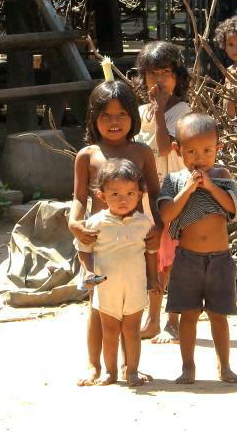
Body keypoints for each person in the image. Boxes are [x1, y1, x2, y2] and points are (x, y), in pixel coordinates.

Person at [68, 80, 161, 386]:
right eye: (105, 115)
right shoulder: (87, 155)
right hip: (98, 239)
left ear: (133, 116)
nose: (114, 121)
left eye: (121, 114)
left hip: (134, 238)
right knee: (99, 308)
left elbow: (154, 195)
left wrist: (159, 228)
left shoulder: (142, 152)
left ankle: (128, 366)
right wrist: (74, 222)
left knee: (131, 308)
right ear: (93, 118)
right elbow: (79, 197)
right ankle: (95, 366)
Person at [158, 113, 237, 384]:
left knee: (219, 316)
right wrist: (187, 190)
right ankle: (188, 367)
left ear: (218, 148)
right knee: (188, 315)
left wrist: (209, 186)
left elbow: (234, 208)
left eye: (208, 150)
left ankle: (224, 366)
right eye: (192, 151)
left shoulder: (222, 176)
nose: (200, 158)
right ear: (178, 150)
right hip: (188, 260)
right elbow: (167, 214)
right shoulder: (174, 180)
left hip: (220, 259)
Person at [74, 158, 162, 387]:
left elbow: (151, 253)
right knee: (109, 331)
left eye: (130, 193)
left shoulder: (144, 224)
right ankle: (110, 372)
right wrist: (88, 272)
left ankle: (131, 371)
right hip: (106, 288)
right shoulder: (95, 223)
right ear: (102, 196)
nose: (123, 200)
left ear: (140, 195)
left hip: (135, 287)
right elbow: (83, 250)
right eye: (115, 194)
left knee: (132, 331)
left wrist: (153, 279)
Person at [134, 41, 191, 344]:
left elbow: (165, 147)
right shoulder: (139, 112)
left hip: (174, 196)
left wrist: (158, 112)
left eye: (165, 73)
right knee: (153, 258)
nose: (159, 80)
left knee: (173, 260)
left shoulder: (183, 112)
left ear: (177, 76)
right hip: (146, 198)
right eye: (152, 74)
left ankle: (172, 321)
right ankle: (152, 319)